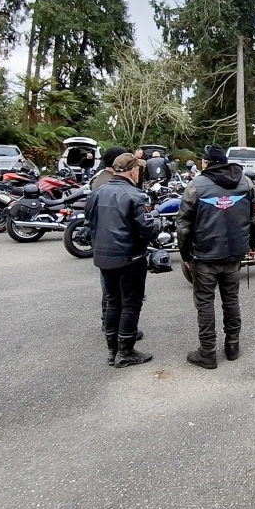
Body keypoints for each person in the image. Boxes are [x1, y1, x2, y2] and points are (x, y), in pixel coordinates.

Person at [176, 145, 255, 368]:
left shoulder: (196, 186)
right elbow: (254, 219)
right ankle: (233, 346)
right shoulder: (245, 182)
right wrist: (253, 244)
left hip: (205, 255)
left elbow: (183, 226)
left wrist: (185, 254)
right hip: (234, 253)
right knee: (231, 299)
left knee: (205, 302)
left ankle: (208, 352)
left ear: (205, 163)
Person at [86, 153, 156, 367]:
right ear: (133, 171)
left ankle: (112, 351)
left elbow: (89, 223)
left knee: (113, 301)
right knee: (131, 303)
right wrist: (158, 225)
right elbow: (147, 229)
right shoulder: (135, 195)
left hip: (103, 256)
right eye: (139, 169)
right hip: (129, 257)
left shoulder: (97, 193)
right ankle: (125, 351)